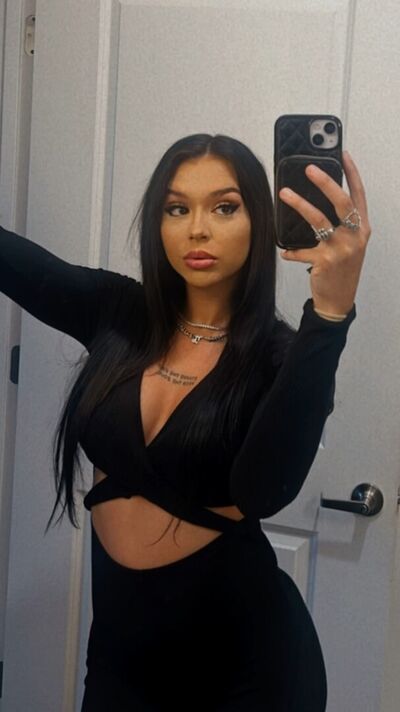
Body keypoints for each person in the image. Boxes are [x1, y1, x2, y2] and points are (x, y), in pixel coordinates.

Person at [0, 134, 370, 711]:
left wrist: (330, 314)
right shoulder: (118, 313)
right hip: (120, 659)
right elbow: (18, 265)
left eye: (224, 207)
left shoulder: (281, 358)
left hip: (246, 673)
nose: (197, 229)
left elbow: (263, 492)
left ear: (260, 221)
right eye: (177, 208)